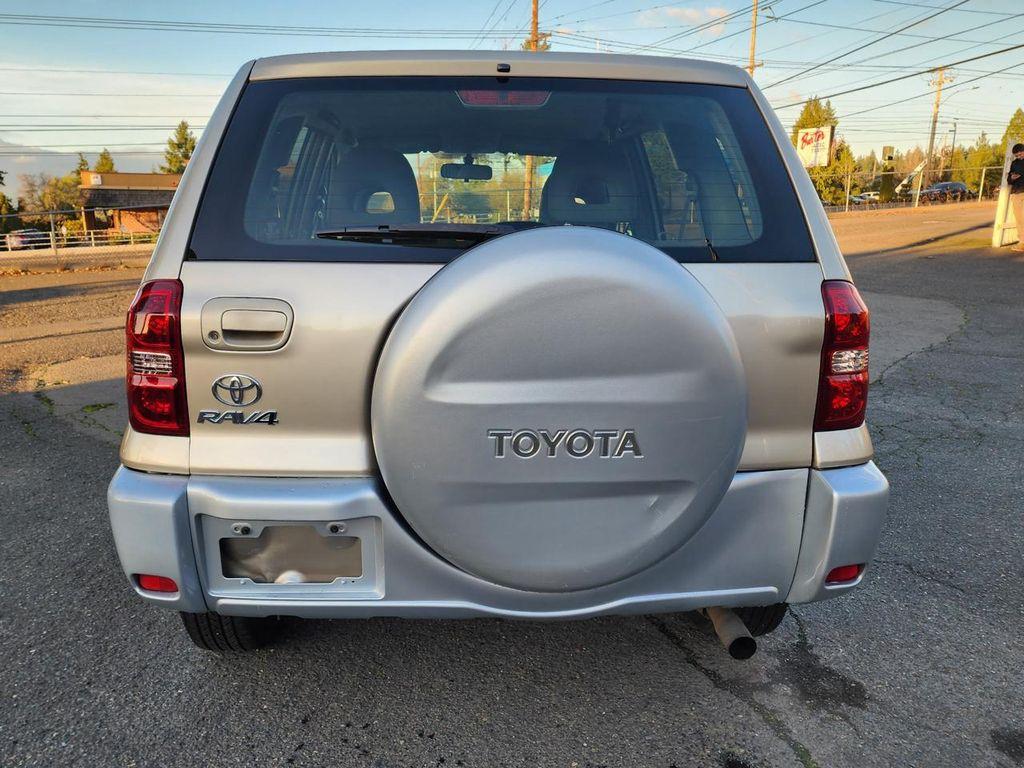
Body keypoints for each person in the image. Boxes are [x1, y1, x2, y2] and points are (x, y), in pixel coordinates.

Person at [1008, 142, 1024, 252]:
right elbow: (1009, 179)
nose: (1019, 157)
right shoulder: (1014, 163)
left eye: (1021, 154)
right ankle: (1022, 242)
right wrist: (1012, 177)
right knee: (1020, 218)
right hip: (1018, 192)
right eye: (1017, 155)